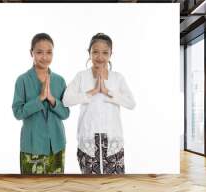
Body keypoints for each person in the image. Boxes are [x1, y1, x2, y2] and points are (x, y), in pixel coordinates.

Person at [63, 33, 135, 174]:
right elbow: (66, 100)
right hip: (88, 138)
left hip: (113, 138)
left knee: (114, 185)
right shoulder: (81, 76)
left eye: (105, 53)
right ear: (89, 53)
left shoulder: (117, 78)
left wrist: (107, 91)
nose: (100, 57)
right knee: (90, 185)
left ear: (110, 54)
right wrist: (93, 91)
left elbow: (131, 103)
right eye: (95, 52)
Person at [12, 33, 69, 174]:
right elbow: (18, 113)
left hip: (56, 144)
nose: (45, 57)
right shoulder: (22, 80)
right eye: (39, 52)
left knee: (55, 190)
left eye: (49, 52)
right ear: (31, 53)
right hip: (32, 146)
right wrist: (40, 98)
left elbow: (66, 113)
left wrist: (52, 99)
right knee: (31, 190)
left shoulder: (59, 81)